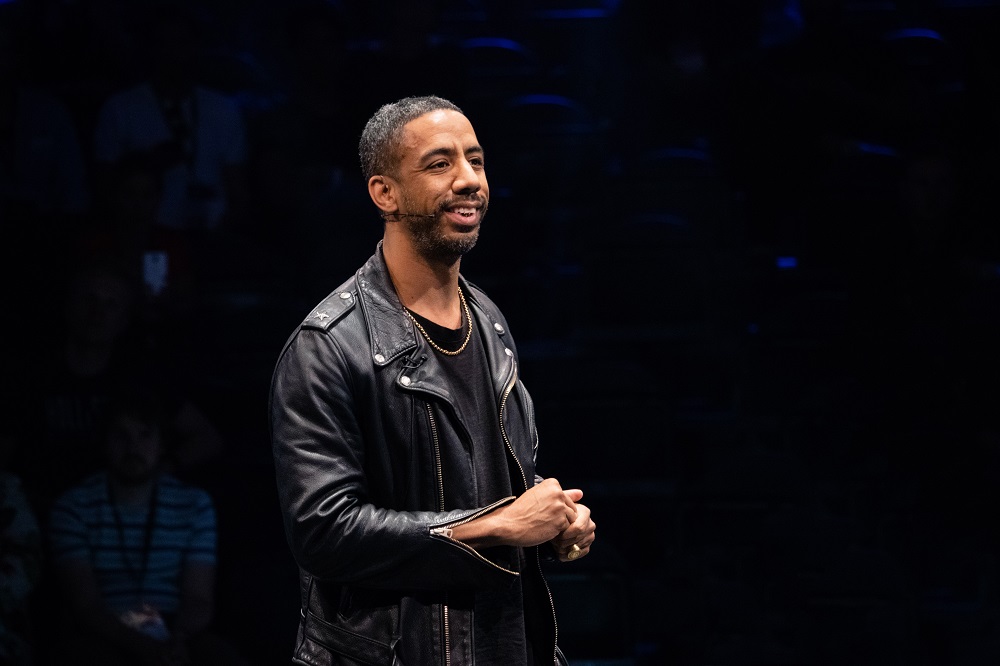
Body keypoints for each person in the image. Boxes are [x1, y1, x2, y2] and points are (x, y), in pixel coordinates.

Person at [269, 95, 597, 665]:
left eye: (476, 160)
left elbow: (484, 479)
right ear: (384, 194)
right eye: (440, 164)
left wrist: (552, 518)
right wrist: (500, 525)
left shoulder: (489, 321)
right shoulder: (329, 345)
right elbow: (324, 533)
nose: (469, 180)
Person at [45, 389, 246, 665]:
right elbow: (86, 605)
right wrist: (142, 646)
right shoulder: (73, 508)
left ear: (161, 443)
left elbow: (198, 598)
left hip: (175, 626)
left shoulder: (194, 505)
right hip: (103, 630)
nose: (133, 446)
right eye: (121, 435)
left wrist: (175, 640)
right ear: (105, 441)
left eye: (145, 434)